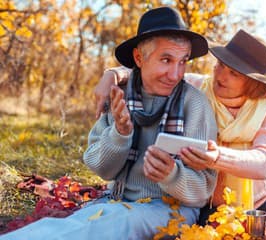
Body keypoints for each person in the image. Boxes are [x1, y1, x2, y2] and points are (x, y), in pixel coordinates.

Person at [0, 6, 218, 240]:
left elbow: (203, 189)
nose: (175, 74)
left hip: (172, 210)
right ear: (139, 58)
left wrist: (171, 174)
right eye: (166, 60)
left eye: (182, 62)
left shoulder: (195, 105)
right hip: (117, 199)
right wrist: (120, 133)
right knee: (78, 224)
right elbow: (100, 168)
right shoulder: (120, 97)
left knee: (113, 224)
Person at [94, 29, 266, 232]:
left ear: (252, 82)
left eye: (233, 73)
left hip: (261, 198)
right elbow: (151, 70)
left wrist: (215, 156)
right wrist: (111, 75)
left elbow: (264, 162)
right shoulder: (198, 87)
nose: (220, 75)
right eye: (220, 65)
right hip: (208, 201)